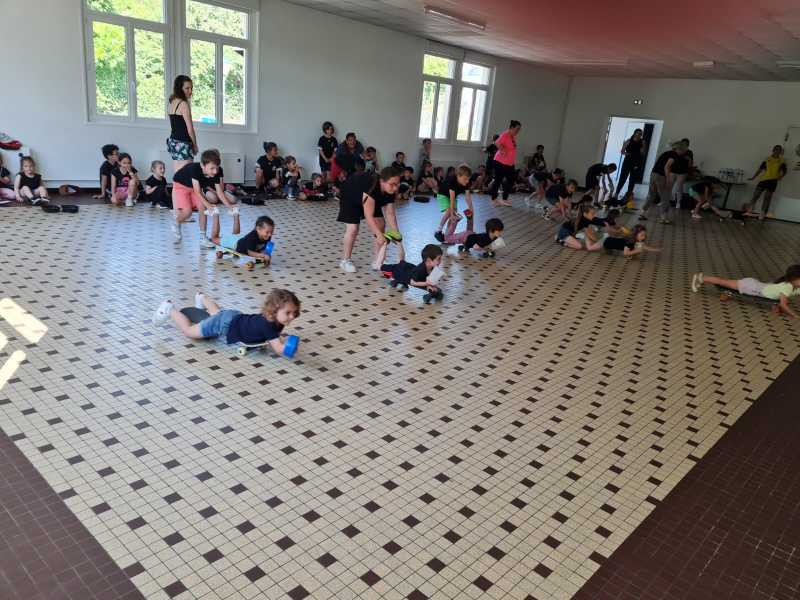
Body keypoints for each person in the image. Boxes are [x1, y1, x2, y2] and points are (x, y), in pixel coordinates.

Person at [152, 288, 301, 354]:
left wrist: (284, 339)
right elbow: (278, 348)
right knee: (189, 332)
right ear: (274, 311)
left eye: (294, 313)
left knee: (218, 314)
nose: (292, 317)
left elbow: (274, 337)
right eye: (288, 313)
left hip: (234, 317)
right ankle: (169, 309)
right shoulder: (268, 325)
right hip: (226, 324)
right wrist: (290, 346)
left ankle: (202, 298)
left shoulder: (276, 321)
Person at [338, 166, 402, 273]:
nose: (395, 188)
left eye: (397, 184)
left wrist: (397, 235)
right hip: (350, 197)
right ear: (382, 181)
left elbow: (390, 214)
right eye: (392, 184)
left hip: (370, 198)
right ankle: (345, 261)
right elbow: (369, 216)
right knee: (353, 229)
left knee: (381, 224)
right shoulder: (371, 187)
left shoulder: (390, 190)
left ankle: (378, 260)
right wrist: (379, 235)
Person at [691, 265, 800, 319]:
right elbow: (783, 304)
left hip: (756, 285)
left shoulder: (794, 285)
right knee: (723, 282)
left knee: (725, 282)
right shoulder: (788, 287)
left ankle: (702, 279)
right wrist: (795, 315)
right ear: (793, 279)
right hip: (750, 287)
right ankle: (701, 278)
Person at [171, 149, 220, 244]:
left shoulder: (212, 173)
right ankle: (176, 222)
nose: (215, 171)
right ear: (202, 166)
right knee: (188, 212)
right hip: (180, 186)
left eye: (216, 168)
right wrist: (209, 205)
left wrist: (228, 205)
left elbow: (204, 190)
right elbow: (197, 191)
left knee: (202, 208)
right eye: (212, 168)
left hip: (193, 188)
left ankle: (203, 238)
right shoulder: (195, 169)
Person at [640, 141, 688, 224]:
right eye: (683, 150)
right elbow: (666, 167)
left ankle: (642, 213)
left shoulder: (666, 153)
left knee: (652, 195)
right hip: (660, 176)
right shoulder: (674, 155)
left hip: (653, 174)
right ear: (678, 149)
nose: (683, 152)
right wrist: (668, 179)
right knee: (665, 197)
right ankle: (663, 218)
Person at [433, 164, 474, 243]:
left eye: (468, 179)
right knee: (450, 212)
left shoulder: (467, 183)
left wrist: (471, 209)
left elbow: (468, 197)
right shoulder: (452, 181)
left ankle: (447, 236)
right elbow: (451, 200)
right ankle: (438, 230)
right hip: (443, 195)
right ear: (458, 176)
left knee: (454, 217)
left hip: (454, 196)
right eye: (465, 179)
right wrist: (451, 214)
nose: (467, 181)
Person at [166, 75, 198, 173]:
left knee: (178, 174)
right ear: (180, 89)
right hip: (183, 143)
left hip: (173, 142)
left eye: (191, 88)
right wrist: (195, 145)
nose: (190, 91)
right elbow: (190, 129)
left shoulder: (171, 102)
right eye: (187, 88)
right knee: (186, 175)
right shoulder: (183, 104)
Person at [749, 145, 787, 220]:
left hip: (773, 181)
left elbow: (784, 171)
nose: (777, 151)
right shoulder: (767, 159)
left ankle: (762, 213)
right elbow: (760, 169)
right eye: (776, 149)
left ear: (781, 152)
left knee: (767, 198)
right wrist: (753, 177)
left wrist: (781, 176)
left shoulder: (782, 160)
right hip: (764, 180)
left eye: (779, 150)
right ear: (773, 150)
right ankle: (750, 209)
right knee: (756, 195)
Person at [489, 120, 521, 206]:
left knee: (511, 180)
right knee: (498, 180)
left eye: (519, 129)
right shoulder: (505, 134)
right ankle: (494, 199)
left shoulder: (512, 137)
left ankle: (504, 199)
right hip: (500, 162)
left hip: (509, 164)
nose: (518, 131)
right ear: (512, 128)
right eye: (517, 129)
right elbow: (496, 142)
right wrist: (502, 150)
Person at [614, 129, 646, 201]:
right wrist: (627, 154)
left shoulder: (642, 142)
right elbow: (622, 151)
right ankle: (616, 194)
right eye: (637, 133)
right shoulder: (628, 141)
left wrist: (642, 151)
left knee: (632, 180)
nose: (638, 135)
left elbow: (643, 154)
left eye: (640, 134)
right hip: (627, 162)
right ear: (634, 133)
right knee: (622, 178)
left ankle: (628, 196)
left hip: (637, 162)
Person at [670, 138, 693, 208]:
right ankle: (664, 200)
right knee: (669, 186)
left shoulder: (689, 152)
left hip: (682, 173)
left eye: (685, 144)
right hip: (673, 171)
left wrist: (688, 160)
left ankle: (678, 202)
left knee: (679, 187)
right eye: (682, 144)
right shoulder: (676, 150)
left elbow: (690, 164)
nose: (684, 145)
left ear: (688, 145)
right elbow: (671, 158)